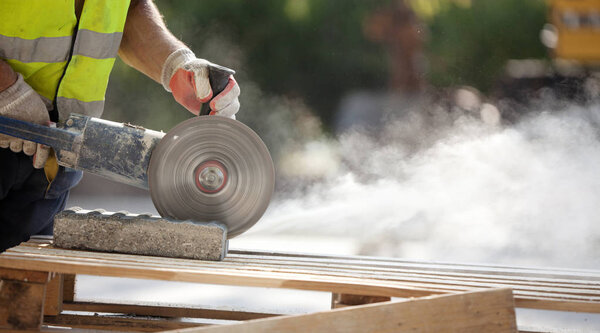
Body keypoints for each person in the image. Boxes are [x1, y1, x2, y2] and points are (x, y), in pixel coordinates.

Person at [0, 0, 241, 252]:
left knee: (25, 285)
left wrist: (175, 62)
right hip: (10, 125)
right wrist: (5, 89)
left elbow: (125, 9)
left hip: (54, 161)